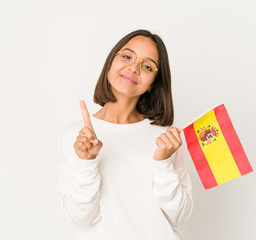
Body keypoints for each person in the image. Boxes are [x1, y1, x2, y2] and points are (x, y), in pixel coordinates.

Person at [57, 29, 193, 240]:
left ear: (153, 84)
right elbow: (80, 217)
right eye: (127, 56)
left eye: (147, 66)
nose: (134, 68)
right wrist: (87, 162)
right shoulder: (76, 137)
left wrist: (164, 163)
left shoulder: (167, 139)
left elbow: (179, 216)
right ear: (111, 62)